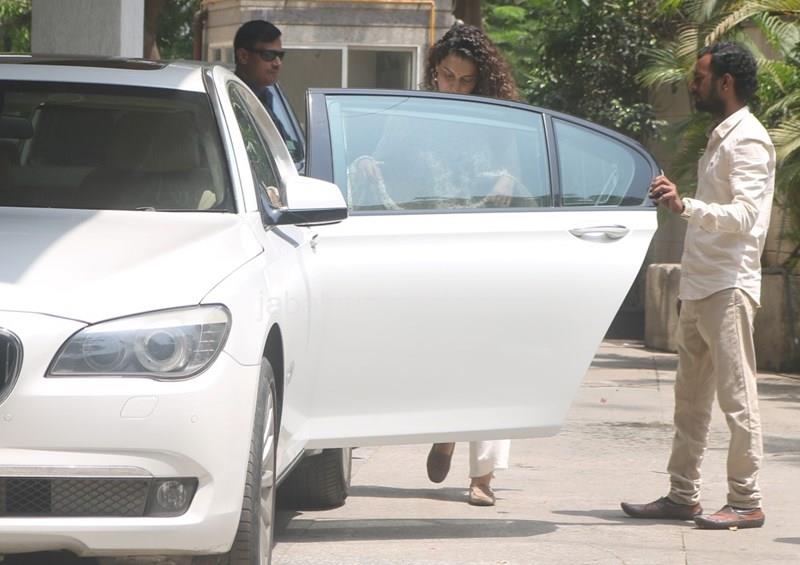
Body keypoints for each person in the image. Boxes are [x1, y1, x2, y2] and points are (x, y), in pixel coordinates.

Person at [621, 42, 775, 530]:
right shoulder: (721, 136)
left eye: (700, 77)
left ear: (725, 82)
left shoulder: (748, 140)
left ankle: (745, 501)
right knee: (689, 402)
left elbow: (746, 216)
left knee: (737, 400)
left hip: (729, 288)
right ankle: (682, 496)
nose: (692, 85)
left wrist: (685, 205)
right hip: (700, 285)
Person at [419, 23, 518, 506]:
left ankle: (483, 476)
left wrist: (508, 179)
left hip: (490, 252)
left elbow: (525, 175)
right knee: (443, 355)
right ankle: (445, 431)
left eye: (466, 80)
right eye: (446, 76)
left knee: (491, 360)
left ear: (483, 80)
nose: (454, 87)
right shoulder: (417, 117)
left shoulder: (501, 122)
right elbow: (387, 162)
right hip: (434, 252)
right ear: (434, 72)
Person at [233, 20, 291, 143]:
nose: (277, 63)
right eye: (268, 55)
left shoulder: (266, 97)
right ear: (243, 56)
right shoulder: (231, 101)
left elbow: (287, 146)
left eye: (280, 56)